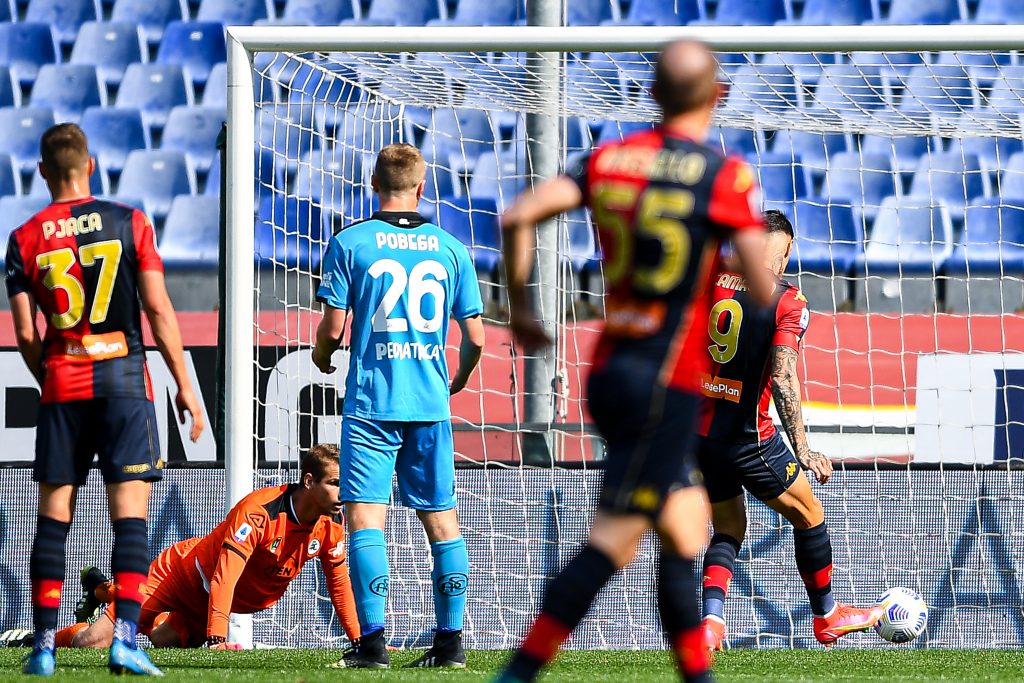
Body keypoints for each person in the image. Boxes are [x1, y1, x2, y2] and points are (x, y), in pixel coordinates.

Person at [494, 41, 775, 683]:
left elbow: (519, 215)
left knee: (683, 529)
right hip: (665, 382)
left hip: (611, 368)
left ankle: (697, 674)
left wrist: (524, 311)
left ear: (652, 94)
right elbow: (762, 288)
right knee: (614, 542)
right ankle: (517, 673)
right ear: (718, 95)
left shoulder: (610, 159)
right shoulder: (724, 176)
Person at [5, 123, 204, 676]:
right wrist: (185, 385)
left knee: (53, 522)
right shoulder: (130, 221)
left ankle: (44, 647)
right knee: (130, 520)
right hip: (124, 385)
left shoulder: (23, 238)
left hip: (63, 388)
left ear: (41, 172)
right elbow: (159, 310)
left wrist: (50, 377)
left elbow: (24, 334)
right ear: (90, 166)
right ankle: (125, 640)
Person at [312, 143, 485, 669]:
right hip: (430, 403)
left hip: (373, 403)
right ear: (423, 186)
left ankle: (372, 646)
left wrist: (322, 357)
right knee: (442, 519)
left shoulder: (350, 243)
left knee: (365, 518)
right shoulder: (450, 248)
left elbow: (333, 329)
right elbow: (476, 337)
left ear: (373, 183)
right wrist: (459, 377)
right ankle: (450, 644)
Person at [696, 210, 880, 653]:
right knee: (810, 514)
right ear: (786, 250)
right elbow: (782, 375)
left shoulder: (710, 282)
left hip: (700, 433)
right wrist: (804, 449)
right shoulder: (787, 300)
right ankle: (828, 616)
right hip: (750, 438)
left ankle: (711, 624)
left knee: (729, 526)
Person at [55, 445, 361, 650]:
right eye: (336, 482)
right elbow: (224, 576)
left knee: (165, 641)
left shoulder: (332, 522)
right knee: (92, 643)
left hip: (208, 601)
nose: (344, 490)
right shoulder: (259, 512)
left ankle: (107, 591)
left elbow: (339, 584)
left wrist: (362, 641)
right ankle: (49, 635)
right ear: (308, 481)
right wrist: (217, 638)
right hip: (178, 575)